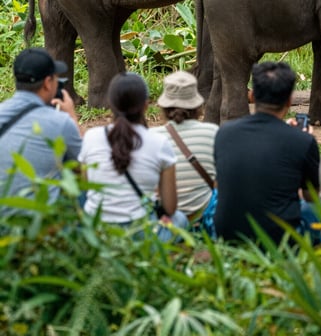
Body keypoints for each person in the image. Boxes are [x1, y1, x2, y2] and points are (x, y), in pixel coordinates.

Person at [214, 61, 320, 244]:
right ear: (290, 100)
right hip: (281, 239)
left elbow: (220, 184)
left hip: (228, 234)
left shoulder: (224, 133)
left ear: (252, 96)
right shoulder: (302, 141)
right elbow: (313, 196)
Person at [79, 72, 187, 238]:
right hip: (141, 234)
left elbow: (85, 189)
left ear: (110, 104)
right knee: (179, 219)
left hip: (98, 233)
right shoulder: (159, 143)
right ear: (146, 106)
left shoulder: (91, 137)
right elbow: (170, 208)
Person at [0, 48, 81, 205]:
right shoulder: (60, 122)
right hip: (39, 222)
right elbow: (85, 172)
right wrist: (71, 116)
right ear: (47, 83)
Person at [155, 71, 218, 230]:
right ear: (198, 106)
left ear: (163, 107)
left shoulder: (152, 138)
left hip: (165, 224)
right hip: (205, 221)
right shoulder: (213, 132)